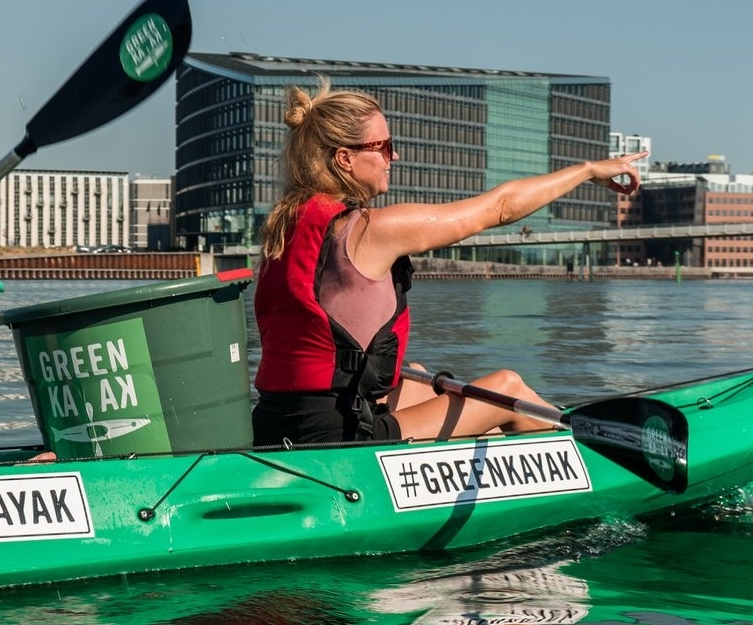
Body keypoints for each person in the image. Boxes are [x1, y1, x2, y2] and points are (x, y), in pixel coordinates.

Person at [251, 79, 646, 446]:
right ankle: (599, 455)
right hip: (336, 436)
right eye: (384, 147)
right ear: (344, 158)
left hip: (275, 422)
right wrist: (588, 170)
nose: (395, 156)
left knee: (417, 378)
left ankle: (524, 446)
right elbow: (500, 208)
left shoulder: (284, 228)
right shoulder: (374, 228)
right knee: (506, 389)